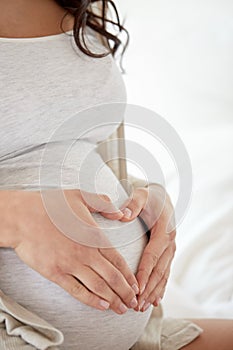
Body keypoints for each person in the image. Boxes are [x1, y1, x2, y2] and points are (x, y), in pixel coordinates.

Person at [0, 1, 232, 349]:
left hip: (136, 335)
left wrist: (141, 198)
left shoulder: (83, 5)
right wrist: (15, 221)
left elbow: (77, 145)